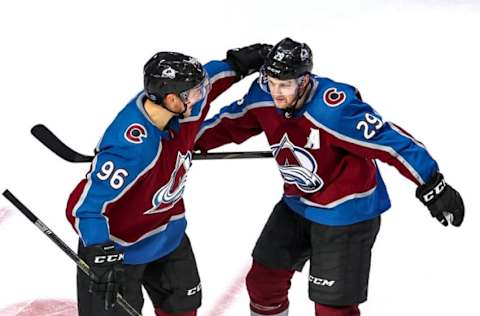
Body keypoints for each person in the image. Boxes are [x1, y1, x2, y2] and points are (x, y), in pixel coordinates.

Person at [194, 37, 465, 316]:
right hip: (297, 204)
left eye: (285, 85)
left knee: (333, 308)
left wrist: (433, 185)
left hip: (347, 213)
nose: (277, 93)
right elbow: (228, 124)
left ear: (304, 80)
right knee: (264, 284)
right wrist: (180, 146)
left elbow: (392, 142)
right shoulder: (263, 95)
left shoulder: (335, 109)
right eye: (272, 82)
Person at [65, 44, 271, 316]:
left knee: (183, 309)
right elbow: (84, 208)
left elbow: (212, 78)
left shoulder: (184, 106)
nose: (202, 97)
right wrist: (99, 252)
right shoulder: (131, 148)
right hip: (119, 251)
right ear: (172, 99)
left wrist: (238, 63)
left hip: (167, 235)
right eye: (195, 93)